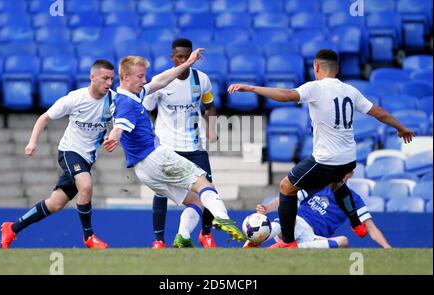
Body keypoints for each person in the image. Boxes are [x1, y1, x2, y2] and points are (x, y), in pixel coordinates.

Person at [228, 49, 414, 248]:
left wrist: (251, 88)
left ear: (316, 67)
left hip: (327, 159)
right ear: (338, 69)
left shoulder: (316, 87)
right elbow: (380, 112)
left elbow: (285, 95)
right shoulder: (350, 90)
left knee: (286, 187)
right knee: (336, 183)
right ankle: (355, 223)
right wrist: (401, 128)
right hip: (349, 159)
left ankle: (288, 242)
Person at [103, 50, 245, 245]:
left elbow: (161, 81)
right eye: (140, 76)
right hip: (156, 157)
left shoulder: (128, 95)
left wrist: (188, 64)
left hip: (143, 171)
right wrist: (114, 136)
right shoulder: (128, 103)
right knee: (204, 183)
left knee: (196, 201)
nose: (144, 80)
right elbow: (120, 125)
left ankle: (183, 237)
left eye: (144, 75)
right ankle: (222, 216)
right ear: (125, 77)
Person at [0, 60, 116, 249]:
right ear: (92, 77)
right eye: (105, 78)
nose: (109, 82)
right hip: (70, 151)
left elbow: (115, 124)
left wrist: (110, 136)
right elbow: (44, 117)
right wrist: (32, 142)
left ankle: (12, 228)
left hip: (87, 158)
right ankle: (89, 237)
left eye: (112, 78)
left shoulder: (113, 100)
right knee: (86, 186)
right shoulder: (75, 98)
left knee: (55, 204)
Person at [142, 38, 218, 249]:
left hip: (195, 146)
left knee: (208, 190)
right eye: (179, 57)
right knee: (161, 192)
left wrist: (211, 129)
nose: (184, 60)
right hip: (166, 147)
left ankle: (206, 234)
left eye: (187, 56)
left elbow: (210, 106)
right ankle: (159, 240)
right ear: (172, 57)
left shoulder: (201, 79)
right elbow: (145, 110)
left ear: (193, 55)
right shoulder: (161, 80)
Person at [244, 172, 392, 249]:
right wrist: (267, 208)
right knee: (289, 220)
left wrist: (386, 247)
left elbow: (371, 228)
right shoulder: (319, 185)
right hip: (295, 224)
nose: (339, 173)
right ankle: (255, 240)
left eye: (344, 171)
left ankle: (294, 248)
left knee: (344, 241)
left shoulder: (353, 199)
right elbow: (289, 198)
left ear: (350, 174)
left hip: (312, 237)